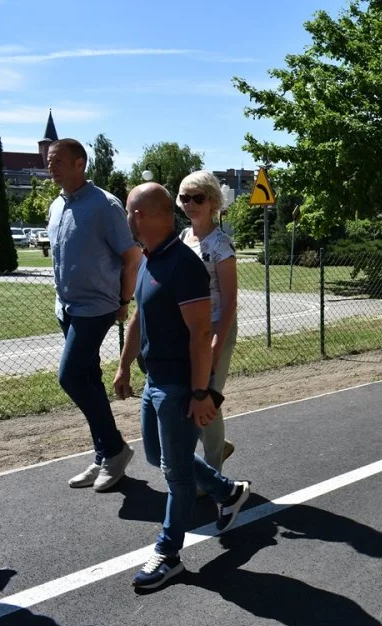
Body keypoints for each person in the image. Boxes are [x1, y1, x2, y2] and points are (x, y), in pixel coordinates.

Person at [114, 183, 250, 590]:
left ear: (141, 216)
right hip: (154, 380)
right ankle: (228, 491)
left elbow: (200, 332)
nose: (125, 218)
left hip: (178, 385)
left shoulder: (183, 265)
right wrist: (123, 367)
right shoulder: (149, 260)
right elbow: (138, 319)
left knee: (177, 474)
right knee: (157, 457)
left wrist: (199, 392)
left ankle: (169, 552)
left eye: (128, 211)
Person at [46, 138, 141, 491]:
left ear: (80, 163)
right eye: (48, 160)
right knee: (87, 380)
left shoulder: (105, 205)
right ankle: (104, 453)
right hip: (67, 307)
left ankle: (114, 449)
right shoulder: (57, 206)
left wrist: (125, 299)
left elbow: (132, 257)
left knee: (70, 377)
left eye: (57, 160)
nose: (50, 167)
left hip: (96, 306)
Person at [177, 171, 237, 473]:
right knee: (192, 392)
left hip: (215, 327)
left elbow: (229, 302)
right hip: (189, 330)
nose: (190, 204)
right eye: (185, 198)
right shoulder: (182, 239)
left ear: (212, 201)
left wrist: (216, 342)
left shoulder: (221, 244)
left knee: (207, 396)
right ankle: (219, 447)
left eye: (197, 198)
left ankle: (213, 468)